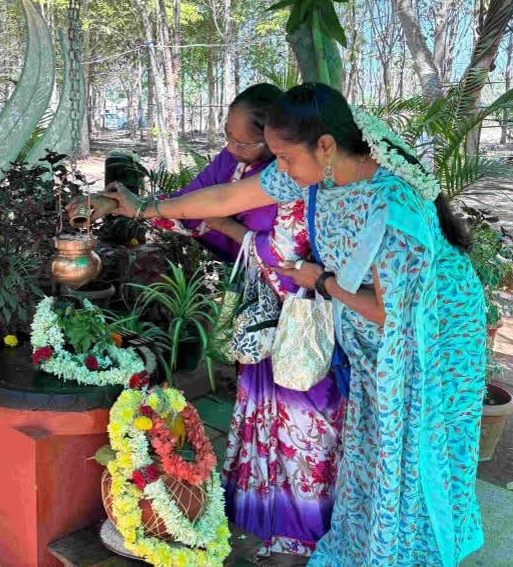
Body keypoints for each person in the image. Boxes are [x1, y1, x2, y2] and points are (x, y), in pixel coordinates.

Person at [100, 83, 486, 566]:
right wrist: (144, 209)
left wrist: (319, 280)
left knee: (410, 444)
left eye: (283, 157)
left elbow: (388, 312)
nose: (276, 169)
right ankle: (372, 538)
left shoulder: (391, 208)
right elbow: (223, 197)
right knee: (372, 443)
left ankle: (405, 550)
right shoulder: (315, 173)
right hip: (370, 325)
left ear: (325, 145)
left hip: (430, 334)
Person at [79, 83, 347, 562]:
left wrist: (224, 225)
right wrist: (138, 207)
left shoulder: (309, 179)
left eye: (244, 142)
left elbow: (281, 252)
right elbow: (196, 200)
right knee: (265, 410)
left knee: (306, 420)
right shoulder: (253, 167)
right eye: (228, 137)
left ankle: (305, 527)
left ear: (277, 140)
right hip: (264, 309)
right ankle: (265, 512)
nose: (232, 149)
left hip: (309, 317)